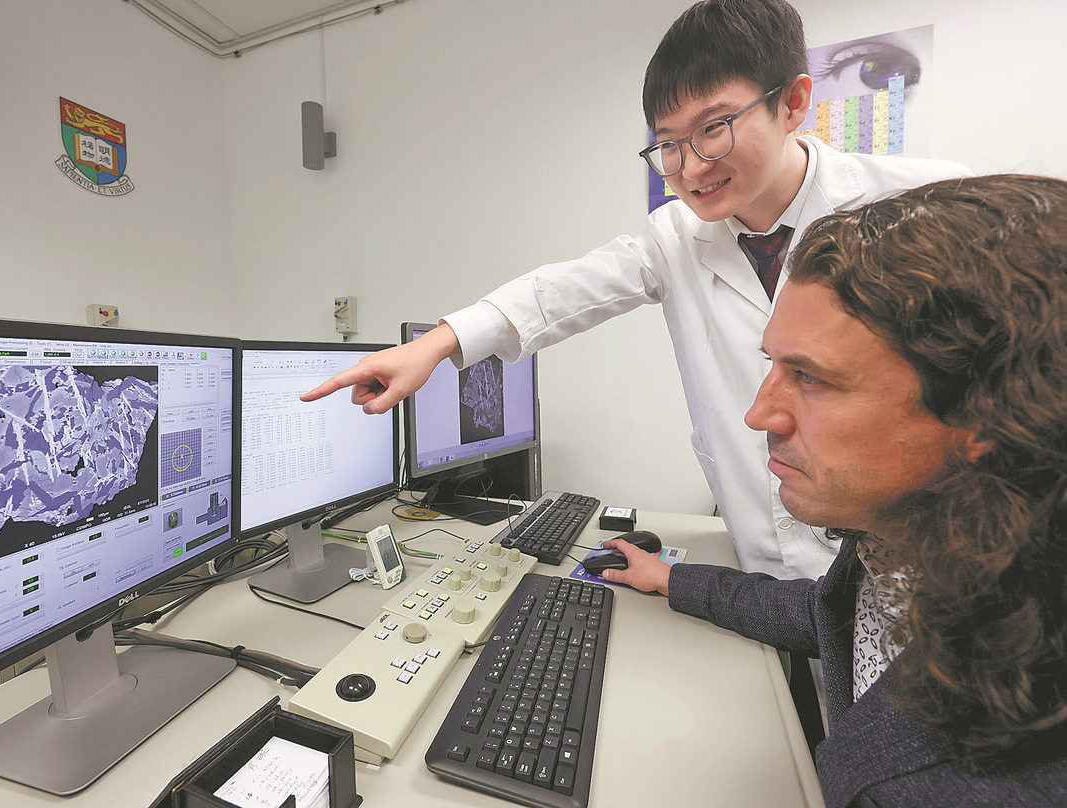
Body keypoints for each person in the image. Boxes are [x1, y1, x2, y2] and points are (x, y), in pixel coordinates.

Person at [302, 0, 970, 581]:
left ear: (793, 103)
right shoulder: (676, 235)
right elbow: (564, 291)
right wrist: (436, 346)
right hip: (766, 566)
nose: (689, 167)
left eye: (713, 129)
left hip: (921, 566)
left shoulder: (925, 203)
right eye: (668, 143)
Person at [605, 174, 1067, 805]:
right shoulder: (903, 546)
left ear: (986, 416)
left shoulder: (967, 780)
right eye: (773, 364)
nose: (759, 415)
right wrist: (672, 580)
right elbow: (827, 614)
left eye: (811, 378)